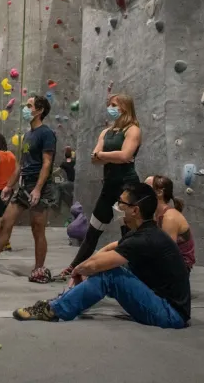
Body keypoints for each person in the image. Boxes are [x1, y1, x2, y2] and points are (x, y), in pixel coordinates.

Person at [12, 183, 190, 329]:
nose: (117, 207)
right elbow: (108, 249)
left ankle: (54, 310)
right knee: (106, 267)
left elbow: (97, 266)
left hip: (170, 314)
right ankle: (62, 302)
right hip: (163, 303)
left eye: (121, 203)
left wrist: (78, 270)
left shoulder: (145, 239)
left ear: (135, 211)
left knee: (109, 274)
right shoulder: (144, 232)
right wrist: (83, 269)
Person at [0, 96, 57, 283]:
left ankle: (38, 269)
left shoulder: (46, 134)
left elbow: (47, 163)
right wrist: (9, 186)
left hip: (39, 185)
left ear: (39, 110)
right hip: (25, 185)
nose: (26, 108)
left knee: (37, 228)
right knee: (5, 221)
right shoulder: (28, 135)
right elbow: (21, 164)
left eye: (29, 106)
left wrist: (38, 189)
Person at [59, 93, 141, 278]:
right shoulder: (106, 132)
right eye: (109, 104)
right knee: (93, 231)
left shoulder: (133, 130)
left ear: (125, 108)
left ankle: (134, 274)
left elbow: (125, 156)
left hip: (127, 188)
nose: (110, 108)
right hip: (109, 187)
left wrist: (102, 155)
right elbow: (94, 158)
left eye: (114, 104)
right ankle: (74, 268)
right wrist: (106, 156)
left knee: (127, 233)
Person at [146, 175, 195, 272]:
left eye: (146, 188)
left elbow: (166, 253)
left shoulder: (169, 217)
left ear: (159, 192)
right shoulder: (156, 214)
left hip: (178, 270)